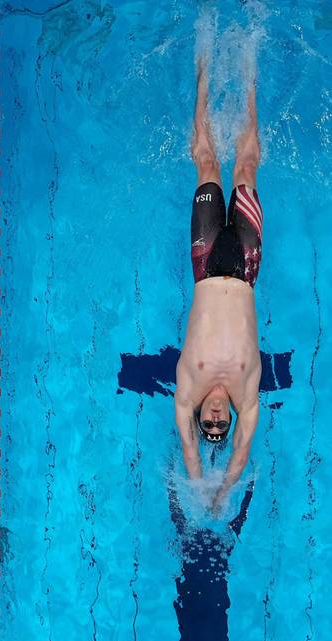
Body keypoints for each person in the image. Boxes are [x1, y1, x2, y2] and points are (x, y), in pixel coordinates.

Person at [174, 52, 262, 512]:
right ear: (229, 419)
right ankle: (248, 75)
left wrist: (199, 487)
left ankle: (204, 69)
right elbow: (242, 451)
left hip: (206, 262)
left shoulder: (189, 384)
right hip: (246, 263)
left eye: (206, 424)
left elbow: (190, 451)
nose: (213, 419)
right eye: (219, 426)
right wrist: (225, 490)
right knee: (245, 168)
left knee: (207, 164)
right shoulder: (246, 392)